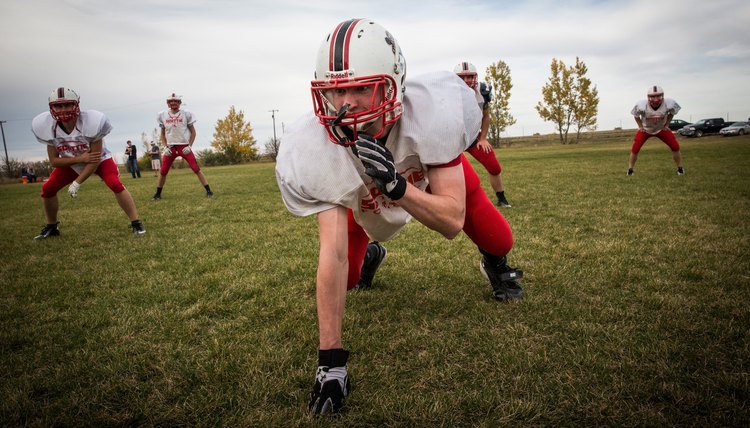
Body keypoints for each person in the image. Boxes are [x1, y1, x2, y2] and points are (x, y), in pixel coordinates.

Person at [275, 19, 523, 415]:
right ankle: (373, 256)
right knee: (350, 275)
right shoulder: (314, 146)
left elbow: (451, 221)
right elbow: (333, 255)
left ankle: (495, 263)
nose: (347, 104)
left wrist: (398, 187)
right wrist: (331, 363)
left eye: (361, 87)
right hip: (363, 205)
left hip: (423, 186)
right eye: (337, 89)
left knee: (499, 238)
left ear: (395, 82)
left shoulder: (431, 111)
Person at [30, 87, 146, 239]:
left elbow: (94, 159)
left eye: (67, 105)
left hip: (100, 160)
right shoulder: (48, 127)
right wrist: (79, 159)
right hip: (73, 162)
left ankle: (136, 222)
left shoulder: (91, 122)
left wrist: (77, 182)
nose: (63, 110)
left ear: (76, 105)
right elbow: (54, 161)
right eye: (58, 106)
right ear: (52, 108)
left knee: (115, 183)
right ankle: (52, 227)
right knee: (48, 188)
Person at [454, 61, 512, 208]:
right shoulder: (448, 92)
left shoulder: (482, 91)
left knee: (494, 167)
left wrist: (483, 138)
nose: (467, 81)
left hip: (473, 135)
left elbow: (486, 116)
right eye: (462, 77)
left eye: (470, 76)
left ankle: (501, 198)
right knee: (446, 169)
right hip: (452, 136)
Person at [152, 93, 213, 200]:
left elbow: (193, 132)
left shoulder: (186, 114)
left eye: (176, 101)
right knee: (163, 171)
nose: (173, 103)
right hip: (170, 147)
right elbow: (162, 134)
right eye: (171, 101)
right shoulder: (163, 115)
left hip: (183, 146)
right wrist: (165, 146)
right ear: (168, 103)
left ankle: (209, 190)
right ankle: (158, 194)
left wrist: (189, 146)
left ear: (179, 103)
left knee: (196, 168)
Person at [628, 85, 684, 176]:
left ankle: (680, 168)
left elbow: (672, 113)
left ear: (662, 96)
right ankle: (630, 169)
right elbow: (636, 115)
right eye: (653, 96)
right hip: (646, 129)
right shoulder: (642, 105)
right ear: (648, 97)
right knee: (635, 148)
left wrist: (667, 124)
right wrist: (640, 126)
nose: (655, 99)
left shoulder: (668, 103)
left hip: (661, 129)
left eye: (658, 96)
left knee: (675, 146)